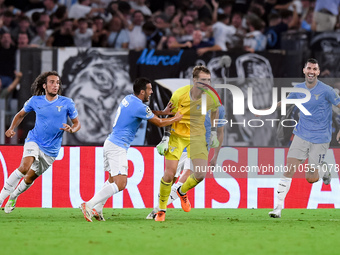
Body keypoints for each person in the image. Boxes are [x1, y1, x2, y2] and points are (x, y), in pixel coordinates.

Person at [80, 77, 183, 222]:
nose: (151, 92)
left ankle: (97, 209)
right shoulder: (139, 107)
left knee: (111, 180)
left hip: (110, 142)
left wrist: (162, 111)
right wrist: (176, 118)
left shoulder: (129, 99)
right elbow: (159, 123)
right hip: (117, 147)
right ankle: (89, 205)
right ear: (142, 92)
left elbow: (147, 112)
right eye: (149, 89)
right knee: (121, 183)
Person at [0, 71, 81, 213]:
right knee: (24, 167)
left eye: (57, 82)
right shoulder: (35, 101)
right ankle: (1, 198)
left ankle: (14, 196)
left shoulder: (67, 102)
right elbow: (20, 115)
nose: (55, 85)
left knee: (29, 178)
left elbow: (77, 123)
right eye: (52, 82)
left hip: (51, 150)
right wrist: (12, 128)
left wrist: (72, 129)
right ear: (44, 85)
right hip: (34, 140)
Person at [269, 58, 340, 218]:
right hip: (301, 134)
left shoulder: (327, 90)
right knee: (289, 170)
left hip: (321, 138)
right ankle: (277, 208)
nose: (311, 72)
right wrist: (268, 109)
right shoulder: (299, 89)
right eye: (309, 68)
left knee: (310, 178)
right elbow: (287, 101)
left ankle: (323, 168)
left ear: (318, 72)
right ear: (304, 70)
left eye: (314, 69)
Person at [154, 66, 221, 221]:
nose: (207, 83)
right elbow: (168, 115)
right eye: (203, 80)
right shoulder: (179, 94)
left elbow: (215, 111)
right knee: (169, 175)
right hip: (177, 135)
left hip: (197, 137)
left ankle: (181, 191)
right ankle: (161, 210)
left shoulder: (212, 96)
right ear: (194, 80)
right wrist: (165, 139)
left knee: (200, 174)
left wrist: (213, 131)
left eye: (209, 80)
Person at [146, 105, 226, 219]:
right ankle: (165, 203)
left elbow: (220, 132)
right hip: (179, 143)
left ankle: (157, 211)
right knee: (171, 179)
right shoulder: (188, 101)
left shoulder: (219, 109)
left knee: (188, 174)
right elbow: (173, 117)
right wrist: (166, 138)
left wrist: (216, 156)